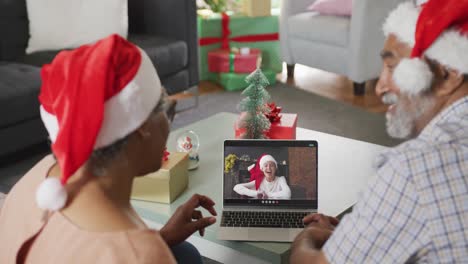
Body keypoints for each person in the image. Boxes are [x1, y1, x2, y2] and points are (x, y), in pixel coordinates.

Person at [0, 34, 216, 264]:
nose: (169, 122)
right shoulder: (142, 255)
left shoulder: (34, 178)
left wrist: (160, 238)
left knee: (186, 253)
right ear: (142, 126)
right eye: (168, 111)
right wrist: (149, 247)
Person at [290, 0, 468, 263]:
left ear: (449, 75)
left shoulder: (413, 171)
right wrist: (358, 234)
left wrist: (306, 238)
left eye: (393, 67)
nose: (380, 88)